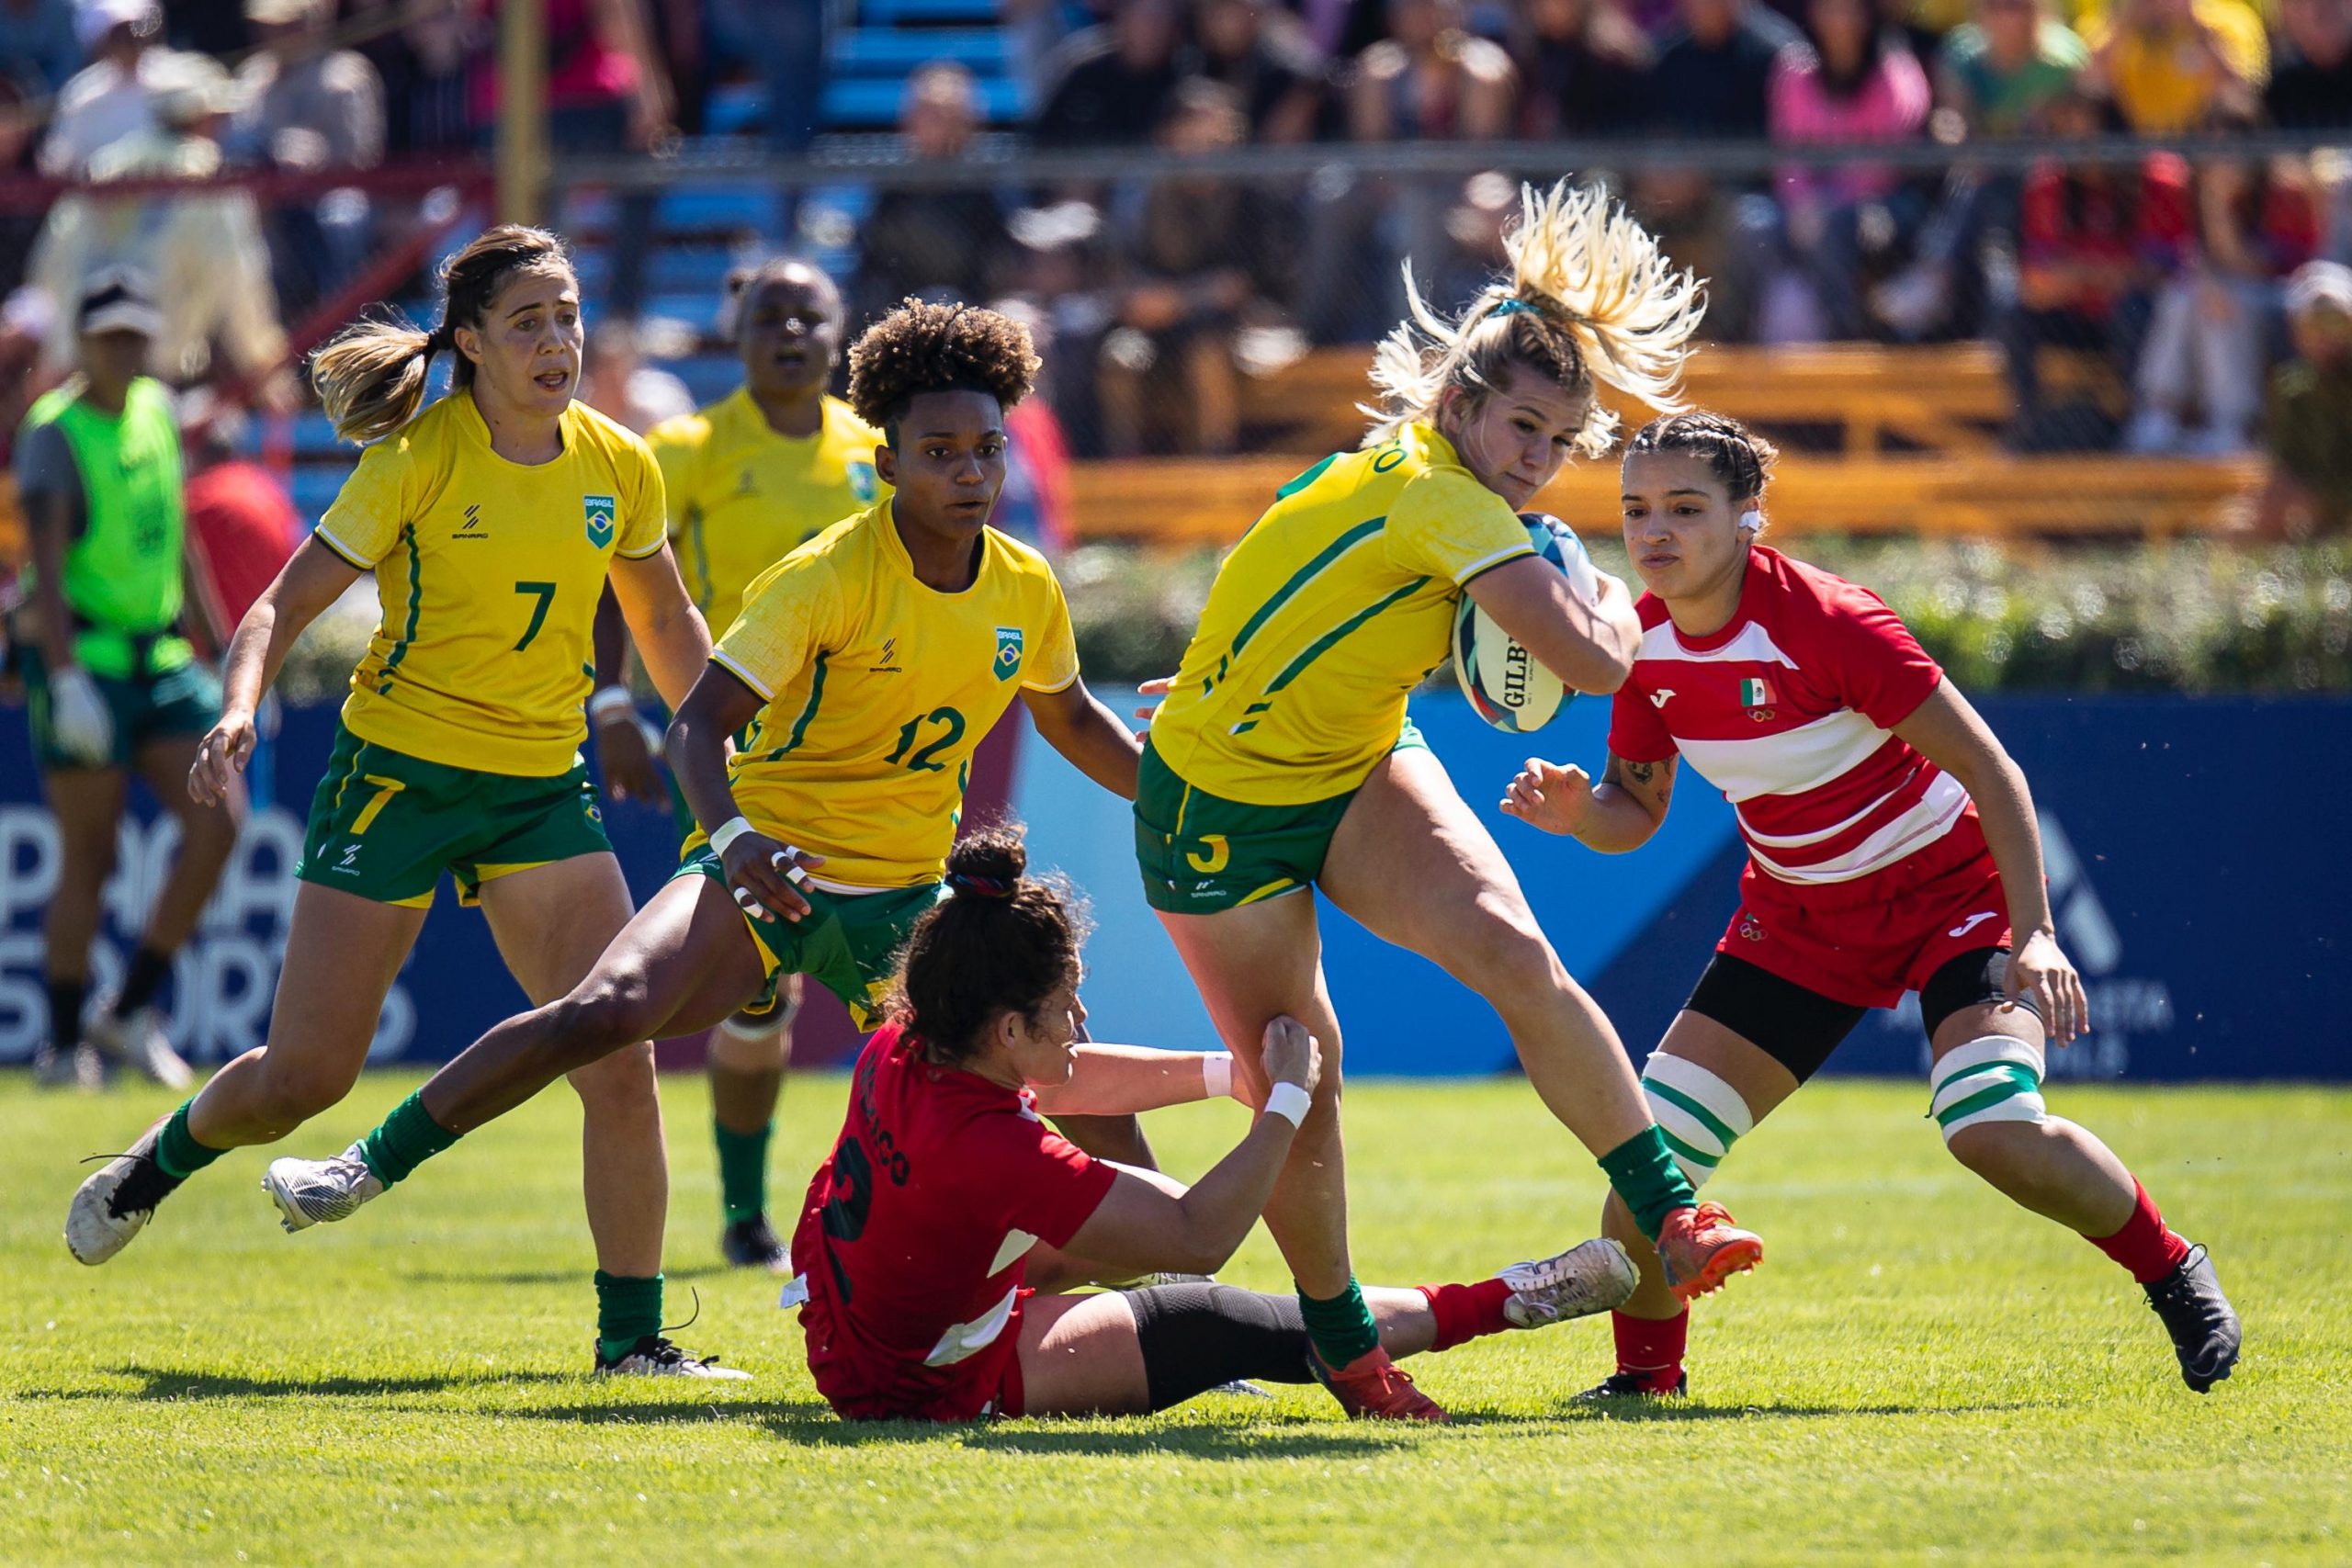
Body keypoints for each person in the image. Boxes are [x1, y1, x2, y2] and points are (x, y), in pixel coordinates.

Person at [252, 301, 1147, 1307]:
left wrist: (1174, 782)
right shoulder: (826, 576)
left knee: (1060, 1071)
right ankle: (362, 1167)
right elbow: (697, 727)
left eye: (985, 450)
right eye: (939, 452)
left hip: (901, 900)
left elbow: (1071, 723)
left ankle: (1160, 1299)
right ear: (885, 463)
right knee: (604, 1012)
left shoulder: (1026, 587)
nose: (970, 473)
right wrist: (734, 838)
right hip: (768, 867)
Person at [62, 226, 741, 1382]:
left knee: (614, 1052)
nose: (555, 342)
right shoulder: (418, 459)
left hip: (539, 785)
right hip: (398, 777)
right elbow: (277, 606)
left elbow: (670, 632)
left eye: (567, 316)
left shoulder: (620, 464)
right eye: (526, 321)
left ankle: (633, 1343)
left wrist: (738, 747)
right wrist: (237, 707)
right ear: (469, 343)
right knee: (302, 1081)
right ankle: (150, 1165)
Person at [1132, 181, 1762, 1423]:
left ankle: (1669, 1205)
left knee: (1516, 951)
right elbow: (1592, 665)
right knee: (1305, 1079)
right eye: (1522, 428)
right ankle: (1349, 1350)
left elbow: (1305, 593)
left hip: (1357, 756)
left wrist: (1233, 675)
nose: (1537, 462)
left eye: (1559, 445)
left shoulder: (1416, 480)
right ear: (1460, 401)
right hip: (1219, 810)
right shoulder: (1445, 498)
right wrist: (1598, 597)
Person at [1501, 411, 2243, 1400]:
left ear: (1748, 518)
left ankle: (2174, 1270)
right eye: (1636, 510)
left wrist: (2034, 935)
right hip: (1799, 925)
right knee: (1650, 1167)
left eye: (1686, 508)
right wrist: (1572, 816)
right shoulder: (1638, 647)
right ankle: (1645, 1384)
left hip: (1951, 903)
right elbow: (1632, 809)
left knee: (1991, 1128)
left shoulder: (1830, 620)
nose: (1655, 532)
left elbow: (1990, 769)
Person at [785, 825, 1640, 1422]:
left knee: (1136, 1214)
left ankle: (1142, 1301)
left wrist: (1222, 1073)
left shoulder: (909, 1039)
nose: (1080, 1015)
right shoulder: (993, 1149)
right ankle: (1509, 1297)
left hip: (861, 1311)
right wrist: (1287, 1102)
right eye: (1064, 1001)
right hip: (913, 1378)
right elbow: (1199, 1236)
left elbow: (1071, 1078)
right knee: (1221, 1317)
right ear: (1008, 1028)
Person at [588, 257, 889, 1273]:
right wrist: (613, 699)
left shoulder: (877, 452)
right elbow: (620, 575)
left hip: (865, 758)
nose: (791, 333)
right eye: (770, 317)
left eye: (809, 316)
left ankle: (892, 1205)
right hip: (735, 750)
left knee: (897, 993)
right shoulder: (687, 451)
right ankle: (749, 1211)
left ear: (839, 331)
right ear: (738, 334)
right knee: (755, 988)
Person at [15, 268, 239, 1091]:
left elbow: (178, 537)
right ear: (85, 342)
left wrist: (222, 649)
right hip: (90, 664)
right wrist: (64, 678)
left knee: (220, 825)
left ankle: (132, 1006)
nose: (126, 349)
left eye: (136, 334)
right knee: (91, 855)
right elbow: (43, 559)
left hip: (163, 660)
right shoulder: (55, 430)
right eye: (111, 335)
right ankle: (66, 1041)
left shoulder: (157, 411)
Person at [2255, 260, 2352, 538]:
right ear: (2296, 333)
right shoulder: (2293, 390)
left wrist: (2317, 500)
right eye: (2313, 323)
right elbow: (2287, 467)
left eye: (2334, 321)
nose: (2324, 336)